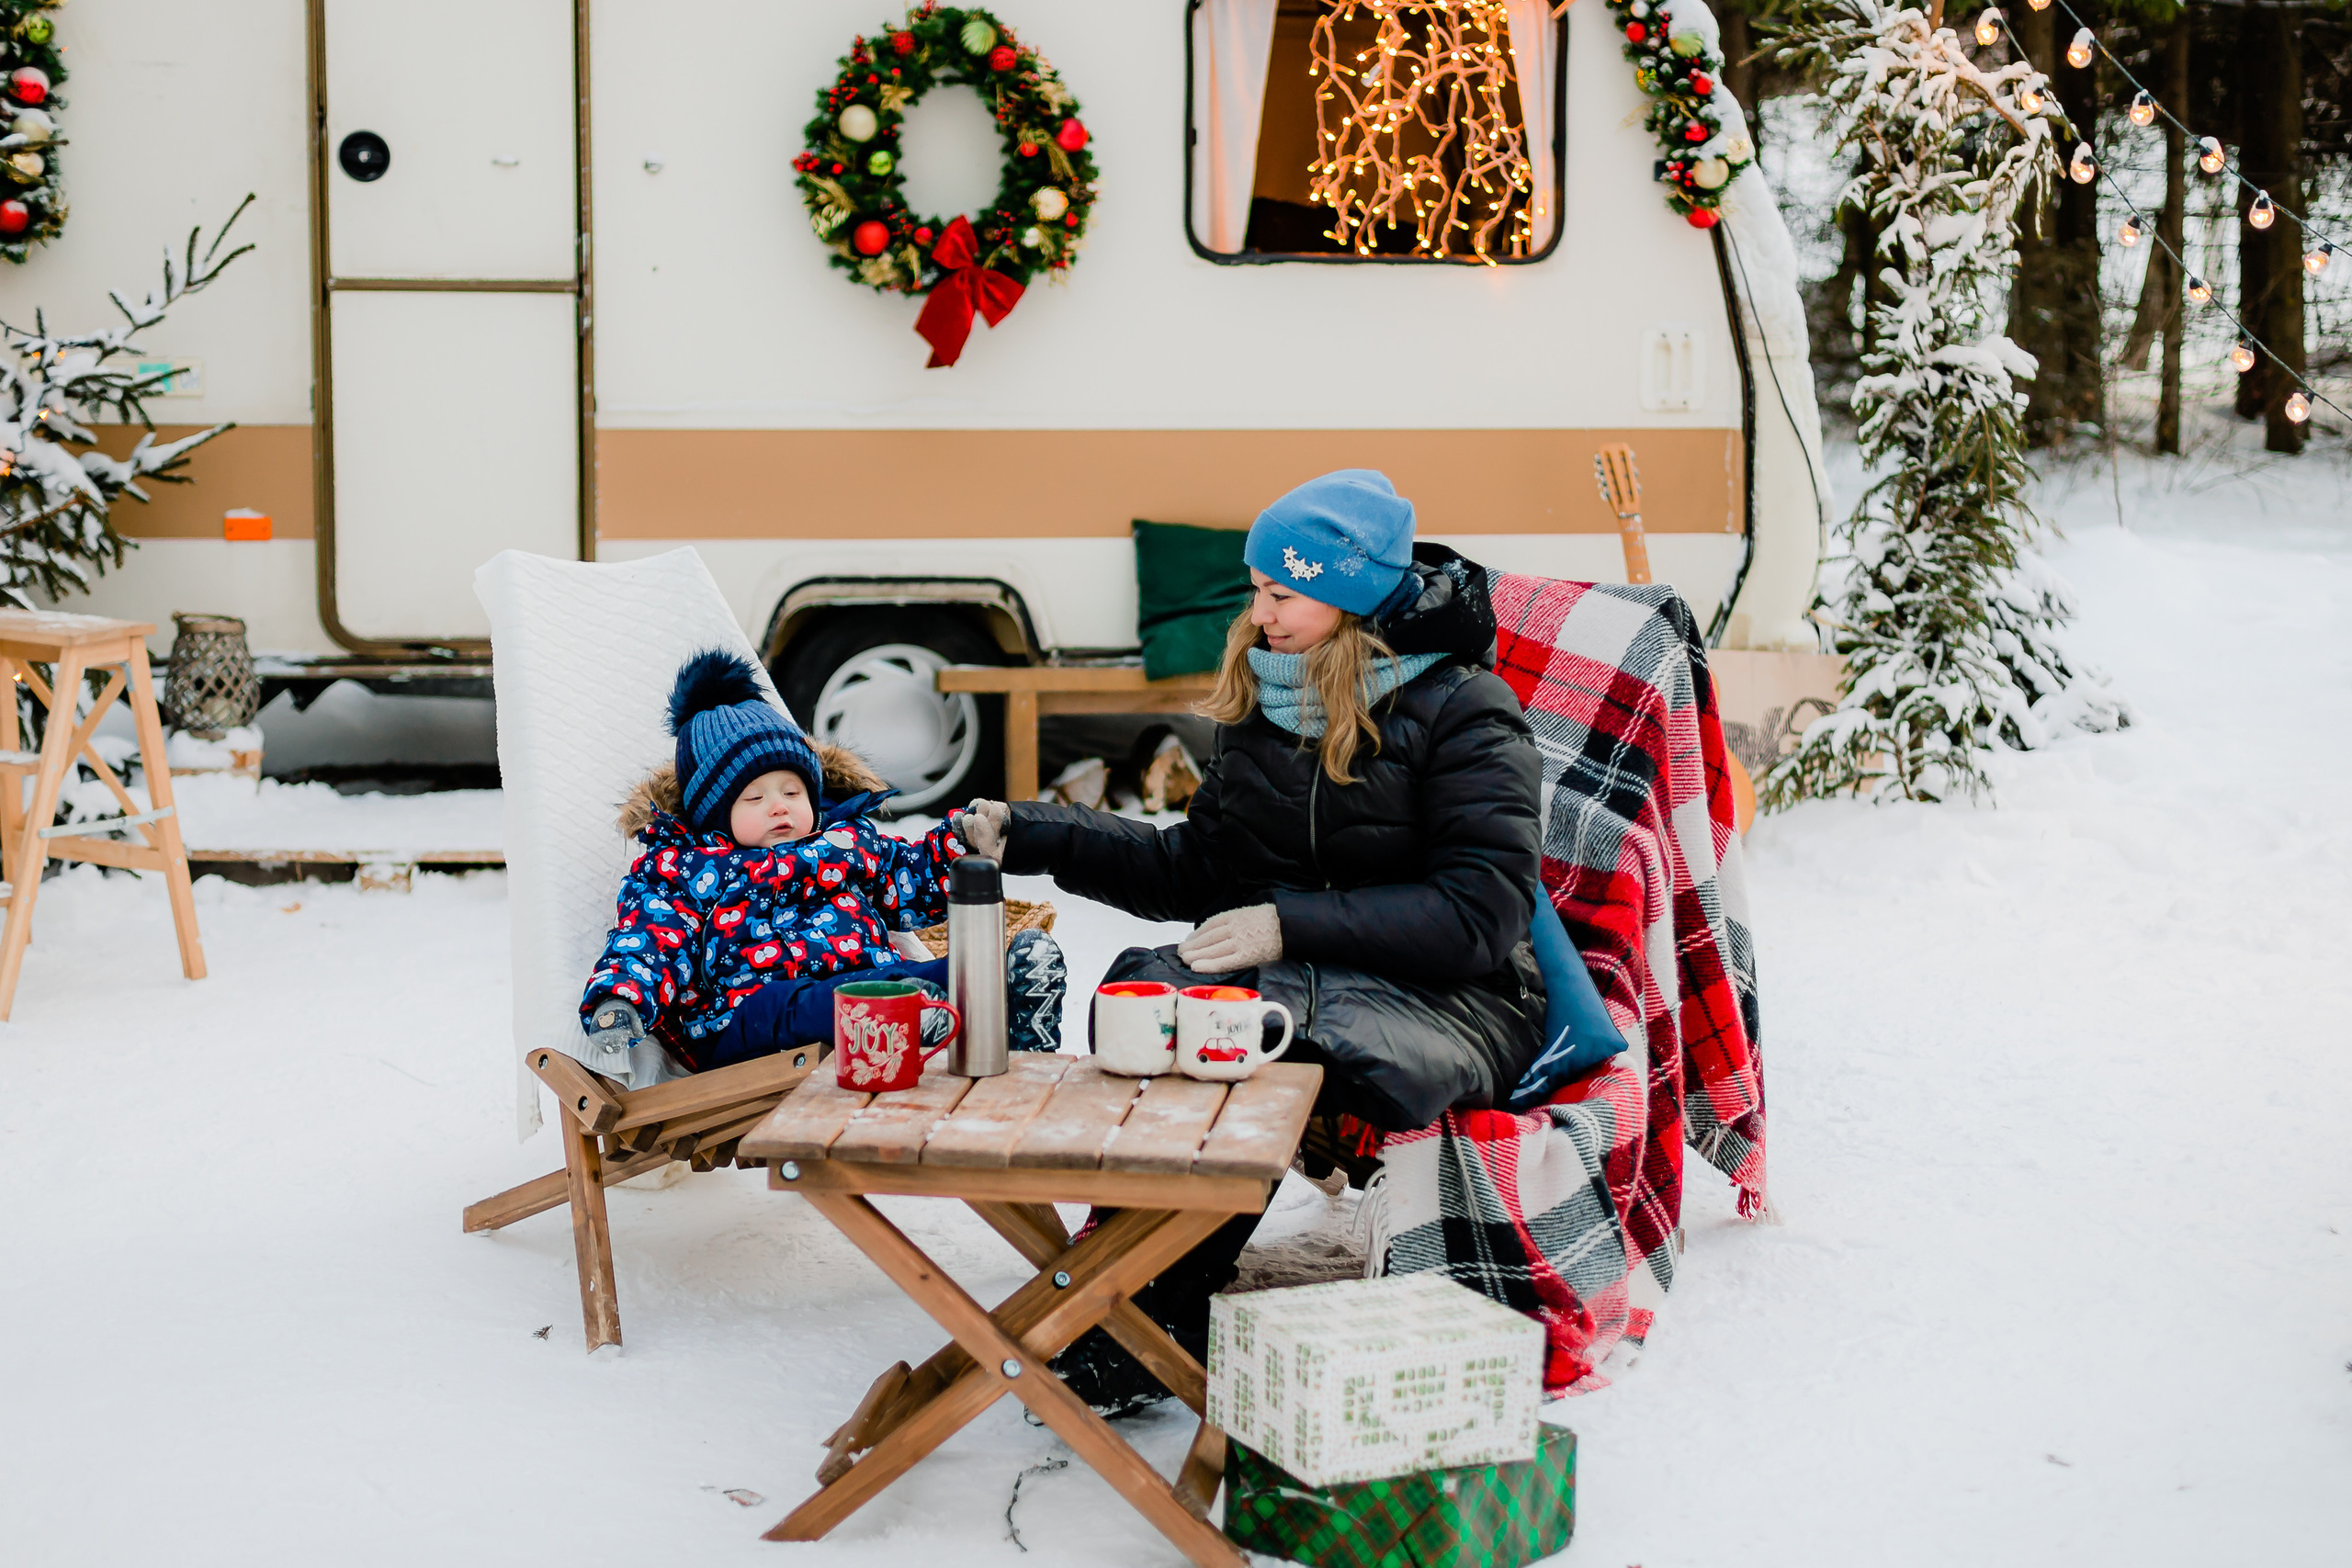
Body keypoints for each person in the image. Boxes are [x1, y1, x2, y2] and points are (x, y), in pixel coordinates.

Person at [952, 468, 1546, 1413]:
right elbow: (1201, 868)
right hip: (1300, 975)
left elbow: (1482, 915)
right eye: (1257, 588)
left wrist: (1286, 922)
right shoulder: (1272, 699)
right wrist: (1033, 834)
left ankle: (1151, 1311)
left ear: (1349, 593)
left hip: (1451, 993)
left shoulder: (1466, 711)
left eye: (1283, 592)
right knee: (1162, 1003)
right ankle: (1119, 1294)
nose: (1258, 612)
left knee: (1245, 1047)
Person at [580, 649, 1065, 1087]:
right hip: (744, 1018)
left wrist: (957, 846)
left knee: (948, 972)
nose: (779, 807)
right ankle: (901, 1011)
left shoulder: (845, 843)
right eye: (754, 797)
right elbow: (648, 937)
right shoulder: (684, 867)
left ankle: (1008, 991)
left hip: (875, 981)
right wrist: (620, 999)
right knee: (799, 1004)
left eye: (792, 792)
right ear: (714, 814)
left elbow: (907, 878)